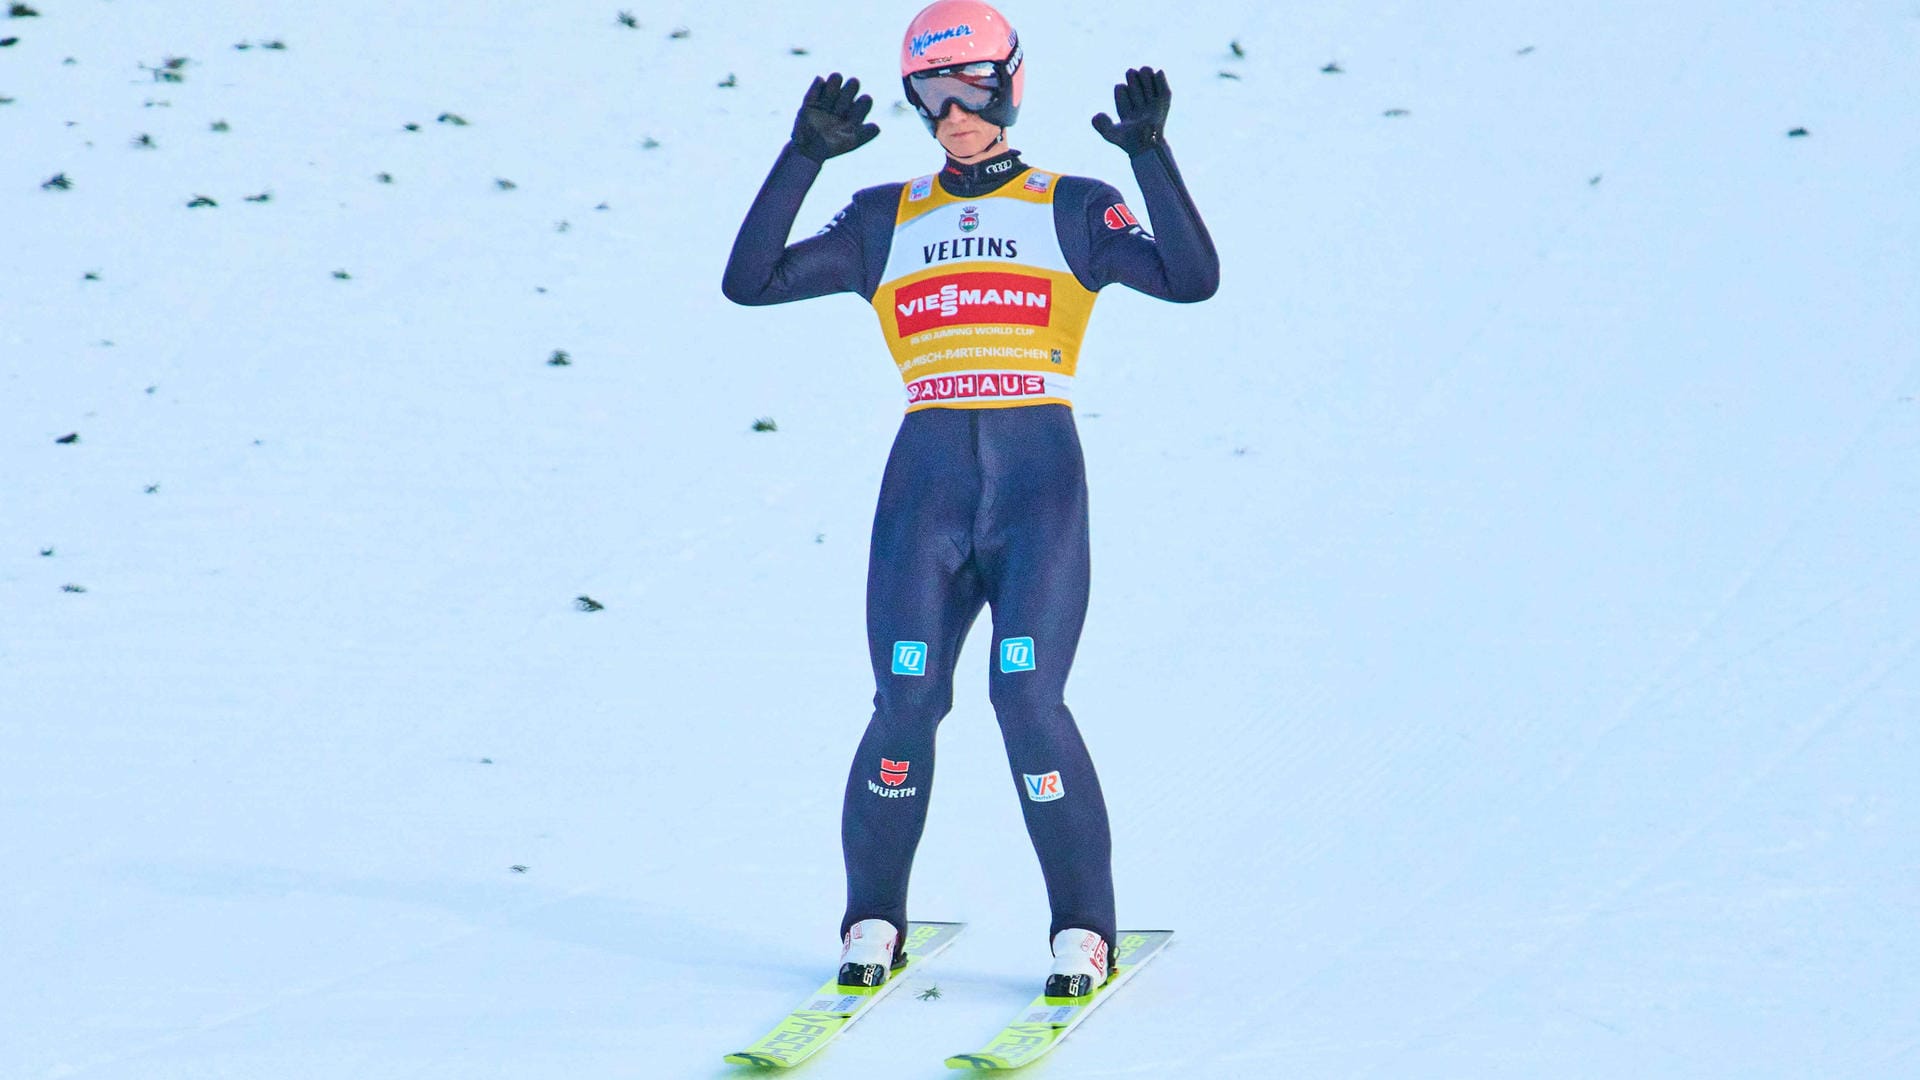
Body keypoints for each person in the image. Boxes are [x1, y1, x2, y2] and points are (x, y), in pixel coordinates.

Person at [721, 0, 1217, 997]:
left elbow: (1189, 279)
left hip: (1037, 486)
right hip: (928, 486)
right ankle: (872, 922)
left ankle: (1082, 930)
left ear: (1012, 84)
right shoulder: (883, 217)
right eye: (929, 94)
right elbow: (751, 282)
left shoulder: (1072, 204)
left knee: (1025, 698)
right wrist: (800, 159)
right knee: (905, 700)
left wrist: (1153, 158)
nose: (953, 112)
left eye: (972, 87)